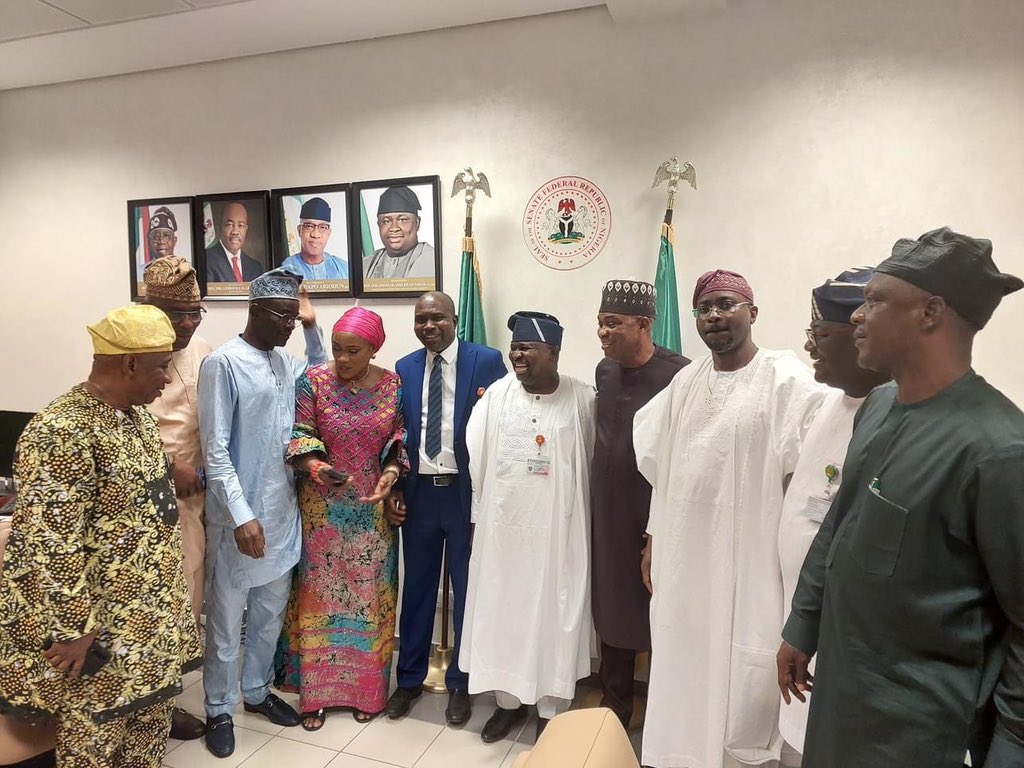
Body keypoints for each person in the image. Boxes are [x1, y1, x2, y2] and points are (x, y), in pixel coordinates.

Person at [778, 228, 1024, 768]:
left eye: (874, 300)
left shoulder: (999, 449)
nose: (857, 316)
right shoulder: (879, 407)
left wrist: (1010, 748)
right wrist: (802, 624)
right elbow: (838, 527)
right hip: (842, 699)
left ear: (930, 312)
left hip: (918, 729)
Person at [633, 270, 827, 768]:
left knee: (746, 663)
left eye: (726, 305)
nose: (714, 316)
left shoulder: (784, 378)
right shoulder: (686, 380)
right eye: (704, 308)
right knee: (683, 652)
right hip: (683, 554)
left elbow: (816, 474)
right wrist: (654, 537)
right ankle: (679, 754)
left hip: (750, 556)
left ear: (752, 312)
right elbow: (662, 469)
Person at [0, 305, 201, 767]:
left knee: (148, 738)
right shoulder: (62, 430)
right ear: (129, 363)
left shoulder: (137, 419)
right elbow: (51, 545)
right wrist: (74, 632)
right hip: (100, 639)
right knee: (95, 744)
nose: (167, 380)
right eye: (159, 367)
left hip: (150, 629)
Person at [198, 268, 326, 758]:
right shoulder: (224, 365)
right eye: (285, 318)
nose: (290, 326)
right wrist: (240, 515)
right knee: (227, 619)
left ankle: (255, 691)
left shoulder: (284, 363)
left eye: (295, 319)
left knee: (270, 613)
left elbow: (320, 374)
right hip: (241, 518)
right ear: (255, 311)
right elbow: (216, 452)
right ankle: (218, 707)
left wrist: (313, 325)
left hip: (282, 511)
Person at [461, 311, 595, 744]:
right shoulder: (497, 396)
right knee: (505, 611)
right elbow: (476, 456)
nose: (516, 355)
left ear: (554, 352)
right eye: (514, 347)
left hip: (559, 533)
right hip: (505, 533)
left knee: (554, 614)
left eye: (527, 348)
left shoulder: (582, 399)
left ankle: (551, 709)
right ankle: (506, 704)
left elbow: (593, 460)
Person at [776, 267, 890, 762]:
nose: (810, 348)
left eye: (819, 335)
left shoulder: (898, 418)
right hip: (804, 621)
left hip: (852, 637)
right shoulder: (825, 404)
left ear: (863, 334)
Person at [274, 307, 407, 728]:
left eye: (354, 351)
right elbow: (299, 433)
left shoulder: (392, 385)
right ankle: (315, 698)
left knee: (369, 601)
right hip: (322, 512)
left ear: (374, 349)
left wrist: (389, 476)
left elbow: (398, 438)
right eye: (337, 349)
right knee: (319, 600)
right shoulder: (313, 381)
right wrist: (316, 467)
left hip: (371, 513)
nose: (343, 359)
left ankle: (366, 692)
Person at [385, 292, 507, 726]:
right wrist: (397, 484)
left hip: (465, 496)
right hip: (420, 494)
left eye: (436, 317)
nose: (428, 325)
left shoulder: (487, 361)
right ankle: (410, 679)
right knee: (417, 590)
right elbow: (397, 434)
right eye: (421, 319)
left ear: (455, 319)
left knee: (467, 590)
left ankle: (461, 682)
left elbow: (502, 426)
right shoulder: (405, 368)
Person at [591, 279, 689, 731]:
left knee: (661, 610)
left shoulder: (681, 375)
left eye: (613, 324)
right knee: (612, 607)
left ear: (645, 324)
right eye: (600, 324)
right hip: (609, 513)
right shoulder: (604, 371)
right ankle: (615, 709)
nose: (603, 333)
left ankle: (669, 713)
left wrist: (659, 529)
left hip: (657, 517)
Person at [143, 257, 213, 742]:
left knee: (186, 603)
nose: (186, 325)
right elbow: (116, 426)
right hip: (147, 504)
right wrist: (169, 468)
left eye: (194, 313)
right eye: (176, 315)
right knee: (147, 608)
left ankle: (163, 706)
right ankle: (145, 710)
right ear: (148, 310)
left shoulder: (203, 349)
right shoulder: (133, 354)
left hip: (196, 502)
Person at [363, 186, 435, 280]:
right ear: (378, 225)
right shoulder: (366, 263)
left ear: (417, 223)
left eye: (402, 220)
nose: (394, 228)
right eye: (386, 221)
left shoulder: (433, 259)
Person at [280, 197, 349, 280]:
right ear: (299, 230)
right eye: (309, 226)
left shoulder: (344, 269)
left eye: (323, 227)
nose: (315, 234)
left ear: (329, 233)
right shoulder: (285, 270)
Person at [204, 201, 263, 283]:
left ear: (246, 228)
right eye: (229, 225)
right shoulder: (206, 260)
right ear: (220, 227)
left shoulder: (256, 268)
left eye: (241, 225)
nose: (235, 231)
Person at [136, 206, 179, 284]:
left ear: (174, 241)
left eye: (166, 236)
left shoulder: (186, 270)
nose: (161, 241)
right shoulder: (138, 273)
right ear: (149, 242)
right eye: (155, 237)